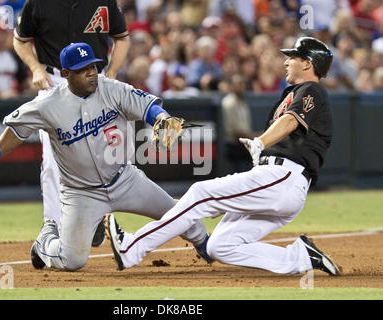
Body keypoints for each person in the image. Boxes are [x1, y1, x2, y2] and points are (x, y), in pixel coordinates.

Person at [0, 42, 210, 272]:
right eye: (83, 69)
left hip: (126, 180)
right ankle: (45, 240)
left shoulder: (112, 88)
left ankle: (210, 249)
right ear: (66, 73)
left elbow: (148, 107)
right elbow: (17, 128)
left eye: (93, 66)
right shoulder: (48, 103)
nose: (91, 72)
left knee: (186, 221)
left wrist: (163, 119)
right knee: (72, 261)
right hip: (81, 193)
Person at [105, 37, 341, 277]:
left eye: (293, 57)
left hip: (284, 177)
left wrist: (261, 141)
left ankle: (131, 248)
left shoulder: (312, 90)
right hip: (279, 181)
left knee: (200, 194)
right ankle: (301, 257)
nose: (286, 62)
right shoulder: (295, 92)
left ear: (308, 64)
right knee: (220, 246)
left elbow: (291, 120)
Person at [12, 0, 131, 247]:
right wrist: (35, 68)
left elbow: (122, 37)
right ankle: (53, 227)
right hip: (54, 82)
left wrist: (111, 74)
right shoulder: (38, 3)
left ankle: (96, 215)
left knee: (105, 155)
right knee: (53, 161)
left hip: (94, 80)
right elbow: (20, 40)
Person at [221, 74, 255, 173]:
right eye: (239, 84)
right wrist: (254, 137)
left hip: (244, 144)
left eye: (244, 84)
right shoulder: (229, 103)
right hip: (234, 146)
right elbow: (235, 131)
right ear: (231, 86)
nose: (242, 87)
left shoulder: (243, 103)